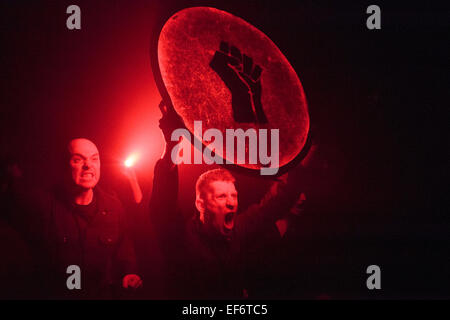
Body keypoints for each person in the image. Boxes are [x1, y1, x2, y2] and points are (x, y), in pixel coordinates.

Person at [149, 101, 308, 299]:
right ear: (200, 204)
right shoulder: (180, 239)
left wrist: (301, 159)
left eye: (233, 195)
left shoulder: (238, 231)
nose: (231, 202)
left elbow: (274, 205)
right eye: (221, 196)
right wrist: (172, 145)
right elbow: (162, 206)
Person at [9, 138, 142, 299]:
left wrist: (128, 273)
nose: (88, 166)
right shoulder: (44, 207)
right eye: (78, 160)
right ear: (65, 166)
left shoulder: (113, 206)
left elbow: (124, 245)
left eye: (94, 158)